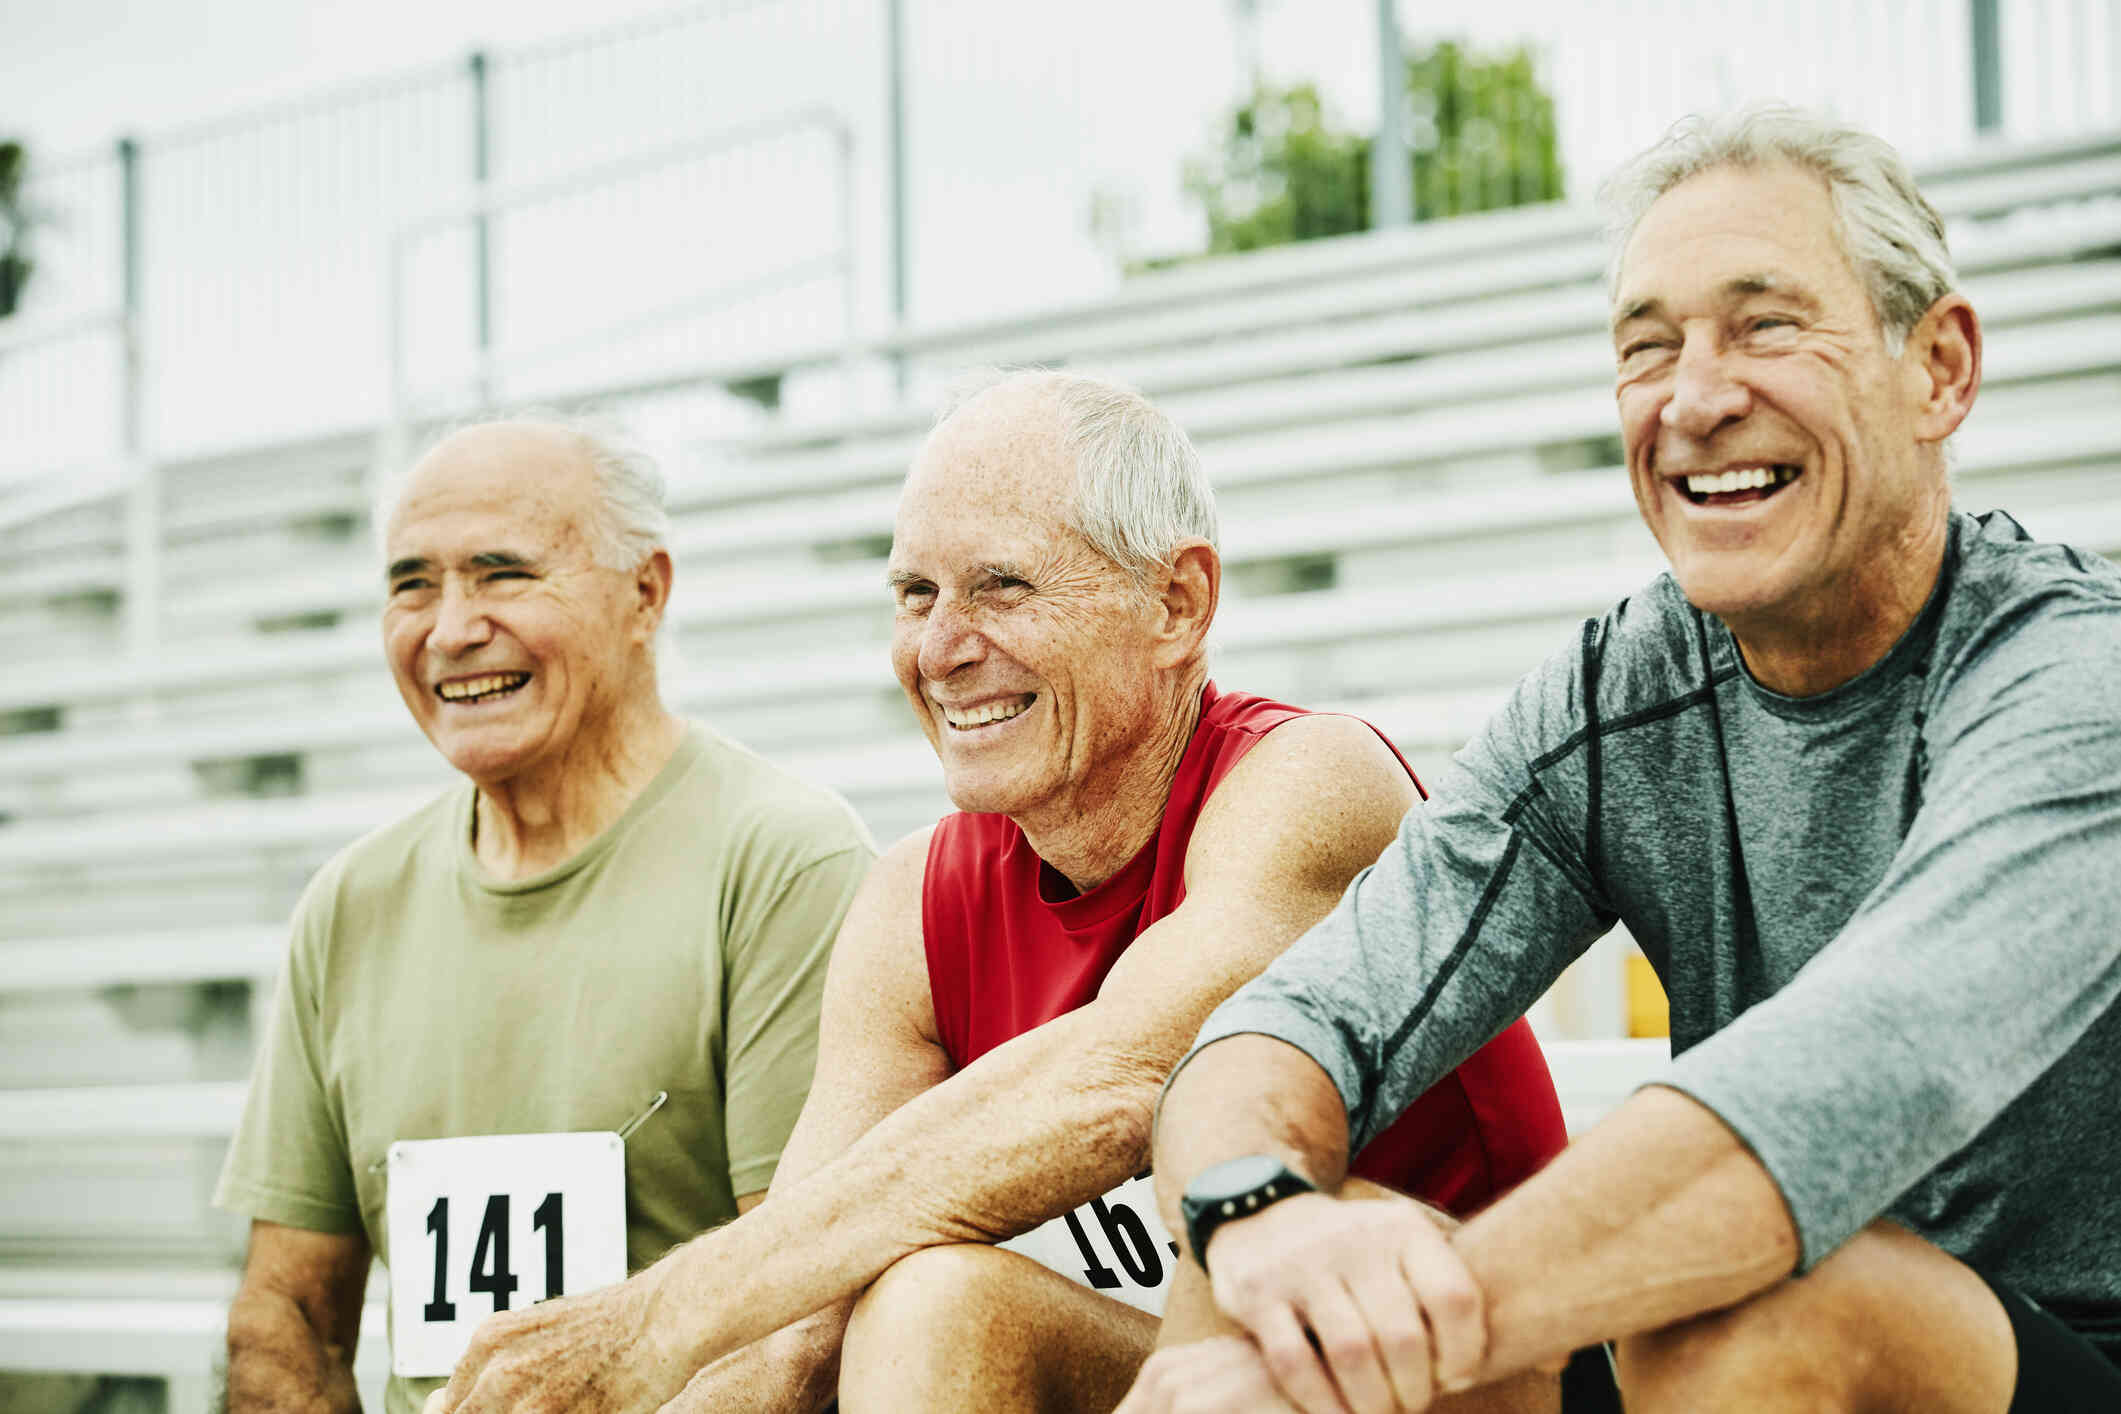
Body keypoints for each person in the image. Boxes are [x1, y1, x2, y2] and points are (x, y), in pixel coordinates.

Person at [1122, 105, 2121, 1414]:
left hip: (2055, 1351)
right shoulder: (1615, 694)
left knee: (1746, 1309)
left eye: (1765, 325)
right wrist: (1255, 1209)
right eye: (1648, 347)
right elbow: (1290, 1020)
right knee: (1280, 1251)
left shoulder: (2073, 684)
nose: (1696, 398)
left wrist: (1389, 1342)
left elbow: (1826, 1099)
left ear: (1936, 368)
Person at [424, 370, 1571, 1414]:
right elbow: (791, 1326)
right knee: (897, 1300)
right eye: (913, 593)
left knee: (940, 1301)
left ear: (1177, 603)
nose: (941, 646)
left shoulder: (1313, 783)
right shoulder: (911, 901)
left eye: (1001, 587)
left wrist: (654, 1318)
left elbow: (1118, 1083)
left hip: (1469, 1364)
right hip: (1191, 1374)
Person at [214, 417, 876, 1414]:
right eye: (411, 585)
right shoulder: (349, 905)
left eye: (502, 573)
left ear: (645, 592)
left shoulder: (785, 860)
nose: (449, 629)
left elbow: (804, 1320)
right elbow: (288, 1313)